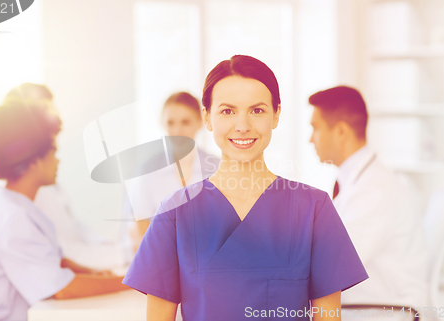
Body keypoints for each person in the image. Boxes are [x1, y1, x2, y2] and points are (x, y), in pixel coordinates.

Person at [122, 55, 369, 321]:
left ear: (276, 115)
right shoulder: (174, 213)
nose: (242, 126)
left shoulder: (314, 209)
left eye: (257, 110)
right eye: (227, 111)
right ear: (207, 118)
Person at [0, 100, 129, 321]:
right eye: (53, 150)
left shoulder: (11, 202)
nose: (57, 160)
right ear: (32, 162)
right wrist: (128, 282)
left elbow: (53, 260)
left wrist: (92, 273)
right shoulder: (13, 218)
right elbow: (60, 289)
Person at [308, 86, 428, 309]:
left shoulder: (374, 190)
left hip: (381, 311)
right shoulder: (360, 181)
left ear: (341, 132)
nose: (310, 139)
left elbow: (332, 265)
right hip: (365, 306)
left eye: (315, 128)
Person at [5, 83, 127, 269]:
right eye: (44, 108)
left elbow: (74, 228)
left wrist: (106, 246)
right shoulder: (27, 181)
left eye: (51, 106)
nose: (54, 114)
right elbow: (60, 251)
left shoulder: (48, 173)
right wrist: (123, 254)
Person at [127, 92, 220, 253]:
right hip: (161, 258)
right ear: (162, 123)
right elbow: (142, 221)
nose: (177, 130)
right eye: (170, 122)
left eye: (185, 122)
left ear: (201, 122)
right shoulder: (148, 169)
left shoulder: (218, 167)